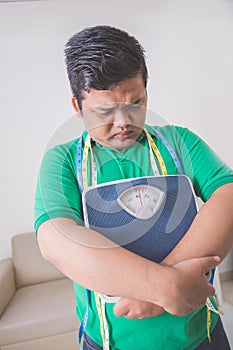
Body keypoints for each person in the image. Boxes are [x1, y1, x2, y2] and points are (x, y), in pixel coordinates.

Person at [34, 25, 233, 349]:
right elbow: (56, 240)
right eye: (104, 111)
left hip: (201, 335)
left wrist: (163, 290)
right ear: (77, 106)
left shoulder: (180, 142)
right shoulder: (63, 161)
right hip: (109, 342)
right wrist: (165, 287)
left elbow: (229, 193)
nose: (123, 122)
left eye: (135, 103)